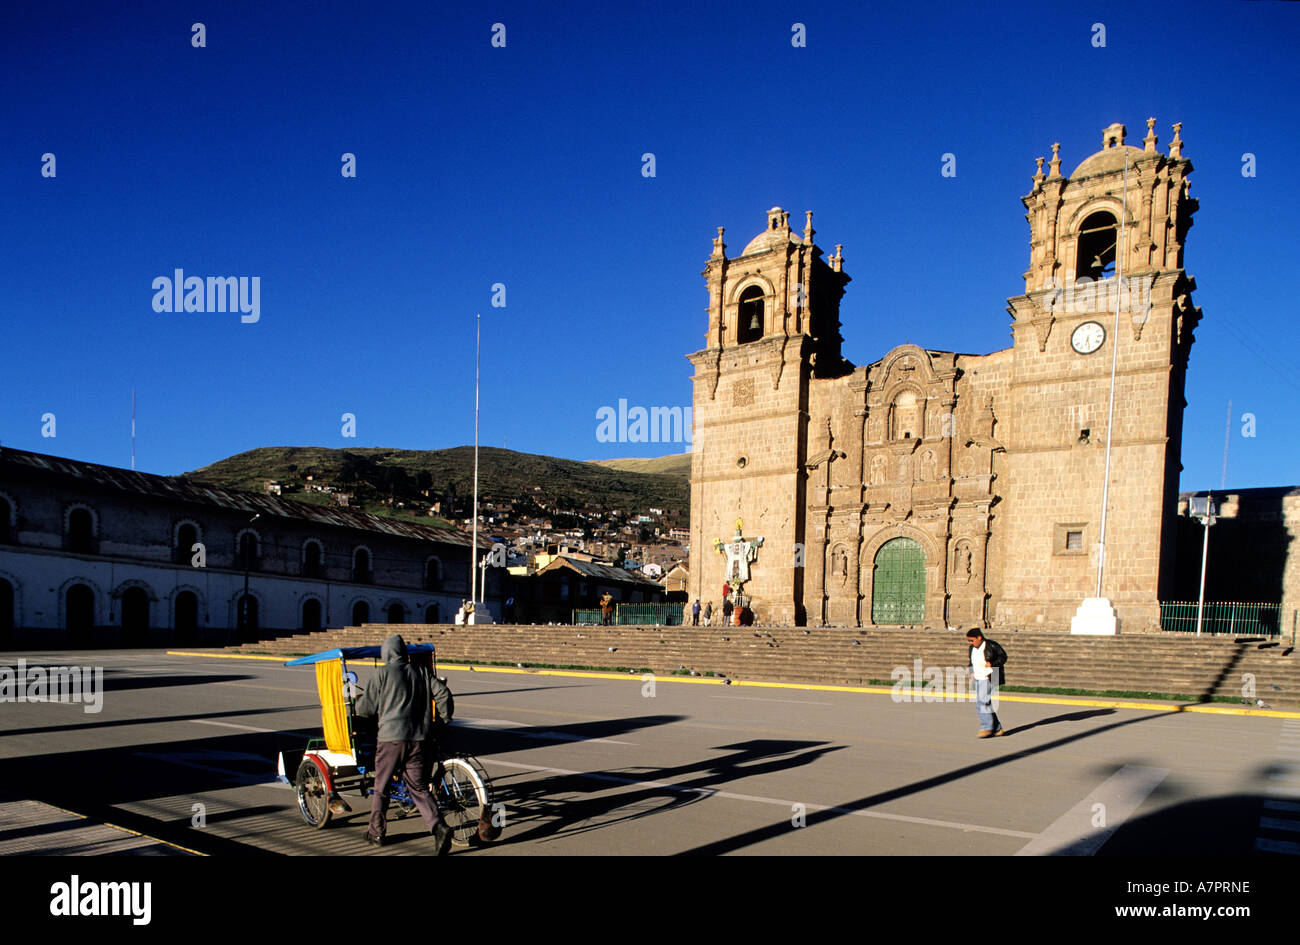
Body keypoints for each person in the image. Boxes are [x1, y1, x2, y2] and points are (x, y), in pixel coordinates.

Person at [354, 634, 453, 853]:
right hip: (419, 739)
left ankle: (376, 832)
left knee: (381, 787)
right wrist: (444, 721)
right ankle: (439, 827)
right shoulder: (421, 671)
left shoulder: (381, 674)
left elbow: (365, 710)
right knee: (418, 787)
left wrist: (359, 706)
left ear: (386, 653)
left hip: (391, 740)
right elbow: (443, 694)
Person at [965, 628, 1008, 737]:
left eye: (972, 640)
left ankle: (986, 727)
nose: (970, 643)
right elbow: (971, 662)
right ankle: (998, 728)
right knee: (984, 703)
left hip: (990, 676)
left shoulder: (991, 645)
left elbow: (1003, 657)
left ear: (979, 637)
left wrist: (993, 663)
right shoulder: (972, 648)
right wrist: (971, 672)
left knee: (982, 702)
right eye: (969, 641)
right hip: (978, 677)